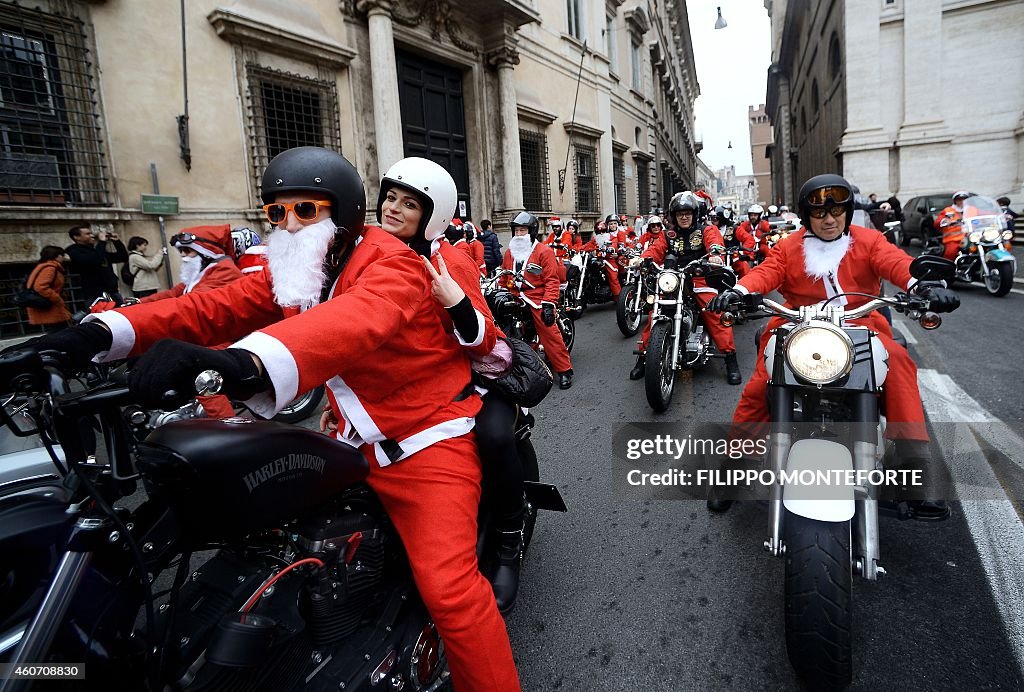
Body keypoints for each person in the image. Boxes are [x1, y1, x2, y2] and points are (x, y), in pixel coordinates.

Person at [16, 146, 521, 691]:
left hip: (423, 438)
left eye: (306, 210)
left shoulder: (394, 261)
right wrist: (94, 335)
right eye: (277, 212)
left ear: (344, 211)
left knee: (450, 593)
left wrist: (242, 362)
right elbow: (210, 307)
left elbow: (356, 321)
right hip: (351, 437)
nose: (288, 223)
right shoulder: (304, 258)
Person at [708, 174, 959, 518]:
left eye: (836, 211)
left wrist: (920, 286)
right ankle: (734, 470)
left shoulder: (869, 240)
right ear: (806, 215)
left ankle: (914, 465)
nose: (829, 219)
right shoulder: (789, 246)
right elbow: (765, 272)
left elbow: (897, 263)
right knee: (757, 388)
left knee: (900, 362)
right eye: (820, 213)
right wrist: (738, 292)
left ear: (846, 211)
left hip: (861, 326)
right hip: (796, 326)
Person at [372, 155, 528, 613]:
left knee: (495, 436)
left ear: (432, 216)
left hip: (467, 380)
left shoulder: (450, 261)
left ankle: (506, 543)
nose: (393, 208)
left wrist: (457, 304)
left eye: (408, 204)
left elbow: (486, 340)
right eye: (390, 198)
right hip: (401, 385)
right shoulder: (369, 254)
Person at [629, 191, 741, 384]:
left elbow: (715, 244)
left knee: (713, 313)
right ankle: (644, 356)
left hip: (699, 277)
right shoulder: (668, 234)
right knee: (655, 315)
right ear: (674, 215)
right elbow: (655, 250)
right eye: (680, 213)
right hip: (673, 279)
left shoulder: (706, 230)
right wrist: (643, 258)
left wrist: (715, 254)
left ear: (694, 213)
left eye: (688, 212)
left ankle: (730, 359)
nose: (684, 216)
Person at [501, 212, 574, 389]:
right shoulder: (510, 252)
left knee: (548, 330)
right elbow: (503, 275)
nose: (519, 234)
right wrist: (500, 292)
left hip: (536, 296)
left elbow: (551, 280)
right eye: (516, 231)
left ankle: (564, 370)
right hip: (515, 295)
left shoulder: (544, 251)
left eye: (522, 230)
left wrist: (549, 304)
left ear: (532, 231)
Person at [140, 225, 242, 304]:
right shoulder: (201, 270)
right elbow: (174, 293)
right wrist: (140, 302)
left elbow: (190, 303)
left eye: (187, 250)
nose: (183, 255)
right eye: (181, 250)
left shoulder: (224, 271)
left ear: (206, 253)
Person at [65, 225, 128, 308]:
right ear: (77, 237)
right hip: (95, 295)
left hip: (112, 292)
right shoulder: (74, 251)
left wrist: (117, 242)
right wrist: (102, 242)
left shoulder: (96, 250)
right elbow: (95, 260)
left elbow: (122, 257)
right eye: (87, 234)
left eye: (91, 233)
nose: (92, 236)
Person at [25, 246, 71, 333]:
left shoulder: (44, 266)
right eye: (62, 255)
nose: (63, 258)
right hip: (51, 308)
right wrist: (57, 299)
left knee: (58, 332)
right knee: (59, 333)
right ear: (57, 256)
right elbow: (40, 287)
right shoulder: (50, 268)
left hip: (49, 306)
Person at [936, 191, 972, 260]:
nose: (962, 201)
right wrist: (945, 221)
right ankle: (948, 268)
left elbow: (983, 216)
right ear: (955, 201)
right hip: (954, 239)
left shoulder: (972, 209)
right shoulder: (948, 210)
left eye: (964, 199)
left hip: (972, 237)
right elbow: (937, 223)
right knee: (951, 252)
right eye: (959, 199)